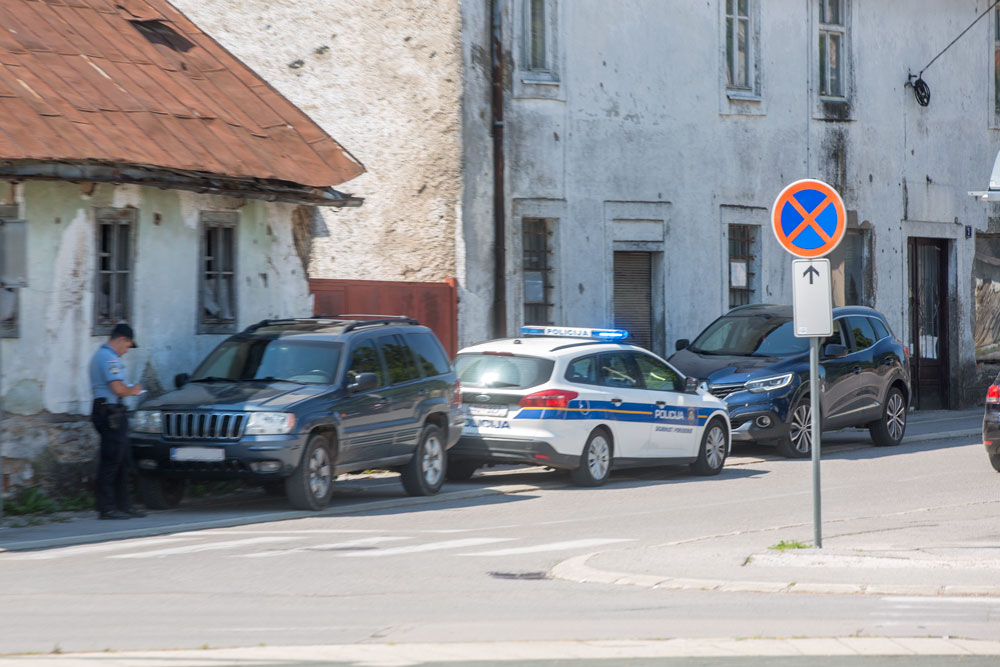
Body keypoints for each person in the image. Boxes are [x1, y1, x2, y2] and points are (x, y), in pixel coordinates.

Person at [89, 323, 146, 520]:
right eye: (127, 346)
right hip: (109, 413)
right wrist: (134, 390)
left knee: (122, 460)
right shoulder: (108, 358)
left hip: (112, 412)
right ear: (122, 339)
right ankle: (106, 507)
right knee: (112, 460)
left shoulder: (104, 356)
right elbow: (118, 389)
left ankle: (124, 505)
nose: (126, 351)